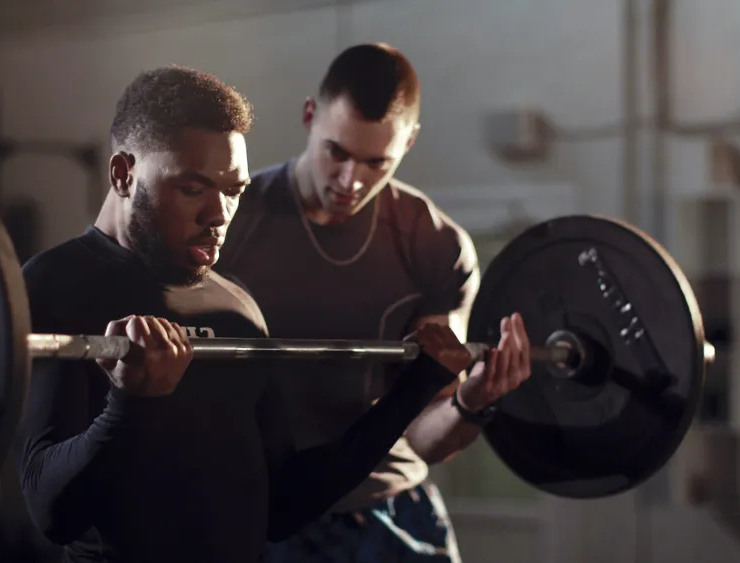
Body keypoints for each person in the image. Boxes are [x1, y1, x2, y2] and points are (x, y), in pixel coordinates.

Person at [15, 65, 511, 563]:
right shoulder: (58, 285)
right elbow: (53, 513)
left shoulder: (236, 307)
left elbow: (283, 506)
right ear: (124, 173)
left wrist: (413, 390)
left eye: (233, 190)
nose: (219, 216)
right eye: (194, 189)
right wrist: (131, 403)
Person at [215, 43, 532, 562]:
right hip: (256, 509)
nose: (350, 180)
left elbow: (428, 438)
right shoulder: (232, 220)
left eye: (375, 161)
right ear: (309, 116)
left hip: (387, 512)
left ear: (408, 143)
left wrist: (473, 404)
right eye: (336, 151)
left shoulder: (437, 246)